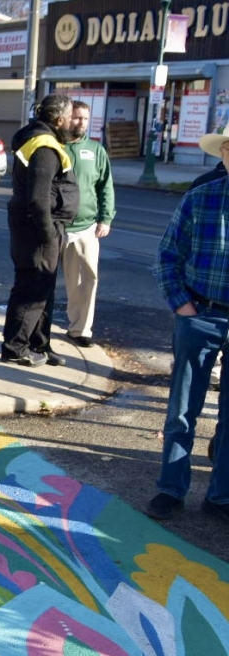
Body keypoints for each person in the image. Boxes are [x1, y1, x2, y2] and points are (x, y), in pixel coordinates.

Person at [145, 125, 229, 522]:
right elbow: (167, 256)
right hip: (201, 313)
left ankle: (221, 496)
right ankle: (171, 488)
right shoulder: (201, 198)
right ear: (224, 154)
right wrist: (184, 308)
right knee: (182, 409)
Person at [1, 93, 79, 368]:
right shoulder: (44, 147)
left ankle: (40, 344)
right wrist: (48, 235)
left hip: (40, 227)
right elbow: (38, 197)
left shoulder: (43, 140)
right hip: (38, 230)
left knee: (44, 290)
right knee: (32, 288)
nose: (73, 122)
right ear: (59, 120)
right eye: (71, 117)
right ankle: (15, 348)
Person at [62, 100, 116, 349]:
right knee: (48, 279)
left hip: (86, 228)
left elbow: (105, 186)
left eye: (85, 118)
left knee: (87, 280)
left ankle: (80, 329)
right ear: (65, 118)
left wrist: (105, 218)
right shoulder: (55, 145)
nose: (81, 122)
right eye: (76, 117)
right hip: (57, 227)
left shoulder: (96, 150)